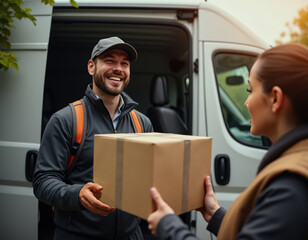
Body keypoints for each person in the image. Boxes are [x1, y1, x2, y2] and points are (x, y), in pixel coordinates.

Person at [147, 43, 308, 240]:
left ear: (275, 98)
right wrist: (215, 214)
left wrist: (168, 225)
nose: (246, 102)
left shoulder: (291, 185)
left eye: (250, 90)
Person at [33, 36, 153, 240]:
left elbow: (149, 178)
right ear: (91, 67)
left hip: (131, 235)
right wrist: (77, 195)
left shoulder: (142, 123)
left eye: (124, 64)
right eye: (109, 61)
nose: (118, 68)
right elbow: (43, 181)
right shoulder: (66, 120)